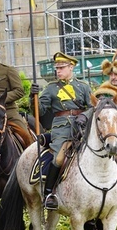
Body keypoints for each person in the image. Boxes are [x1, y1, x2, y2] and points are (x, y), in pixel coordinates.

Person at [30, 52, 92, 210]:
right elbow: (40, 110)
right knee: (58, 158)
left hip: (82, 126)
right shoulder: (51, 88)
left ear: (71, 67)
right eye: (57, 68)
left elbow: (93, 107)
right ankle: (49, 193)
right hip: (61, 127)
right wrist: (33, 97)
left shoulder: (83, 87)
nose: (58, 71)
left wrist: (84, 116)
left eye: (62, 67)